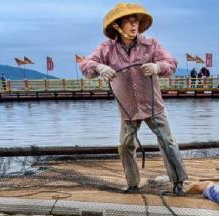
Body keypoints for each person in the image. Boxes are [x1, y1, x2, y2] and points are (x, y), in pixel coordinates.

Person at [80, 3, 188, 195]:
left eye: (136, 20)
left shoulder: (151, 44)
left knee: (167, 141)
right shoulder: (106, 49)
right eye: (129, 21)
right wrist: (99, 68)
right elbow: (86, 65)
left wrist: (157, 67)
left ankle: (179, 181)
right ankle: (132, 183)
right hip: (127, 107)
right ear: (117, 26)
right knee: (125, 145)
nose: (133, 24)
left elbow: (171, 64)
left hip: (153, 104)